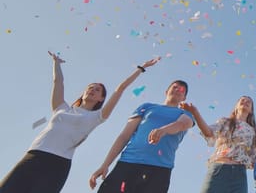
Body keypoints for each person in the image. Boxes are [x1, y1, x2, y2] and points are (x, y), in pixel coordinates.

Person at [0, 51, 159, 193]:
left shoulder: (98, 116)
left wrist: (141, 68)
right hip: (33, 156)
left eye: (97, 90)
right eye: (90, 87)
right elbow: (58, 83)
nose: (92, 90)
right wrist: (56, 63)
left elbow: (120, 89)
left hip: (57, 165)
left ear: (101, 98)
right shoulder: (61, 108)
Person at [89, 80, 194, 193]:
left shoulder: (186, 114)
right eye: (175, 87)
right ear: (166, 91)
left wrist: (164, 130)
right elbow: (124, 136)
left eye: (182, 90)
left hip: (159, 170)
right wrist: (105, 165)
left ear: (184, 98)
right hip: (128, 163)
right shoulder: (147, 107)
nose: (178, 90)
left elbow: (183, 124)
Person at [181, 94, 256, 193]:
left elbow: (255, 157)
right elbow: (208, 132)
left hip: (239, 174)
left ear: (251, 110)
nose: (245, 102)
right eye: (242, 100)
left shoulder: (252, 131)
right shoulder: (225, 122)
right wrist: (195, 113)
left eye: (249, 102)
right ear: (236, 107)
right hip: (220, 169)